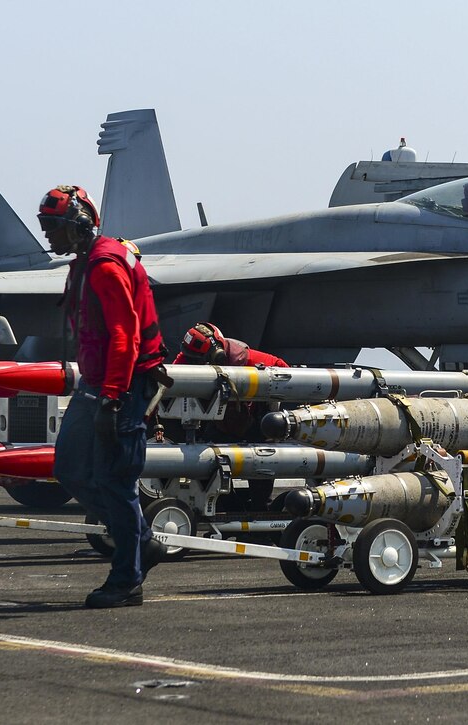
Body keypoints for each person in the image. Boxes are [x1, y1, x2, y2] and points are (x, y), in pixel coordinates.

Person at [41, 185, 168, 608]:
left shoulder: (104, 265)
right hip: (96, 384)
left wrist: (113, 398)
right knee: (70, 468)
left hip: (122, 386)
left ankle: (127, 578)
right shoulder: (86, 262)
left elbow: (123, 335)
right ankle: (143, 542)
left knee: (116, 481)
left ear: (78, 225)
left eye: (52, 226)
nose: (47, 236)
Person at [172, 322, 289, 510]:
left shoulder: (247, 359)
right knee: (207, 467)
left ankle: (261, 513)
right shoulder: (190, 357)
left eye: (196, 359)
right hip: (219, 423)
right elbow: (174, 375)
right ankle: (234, 507)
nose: (192, 363)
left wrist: (269, 410)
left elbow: (282, 369)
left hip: (250, 424)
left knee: (262, 464)